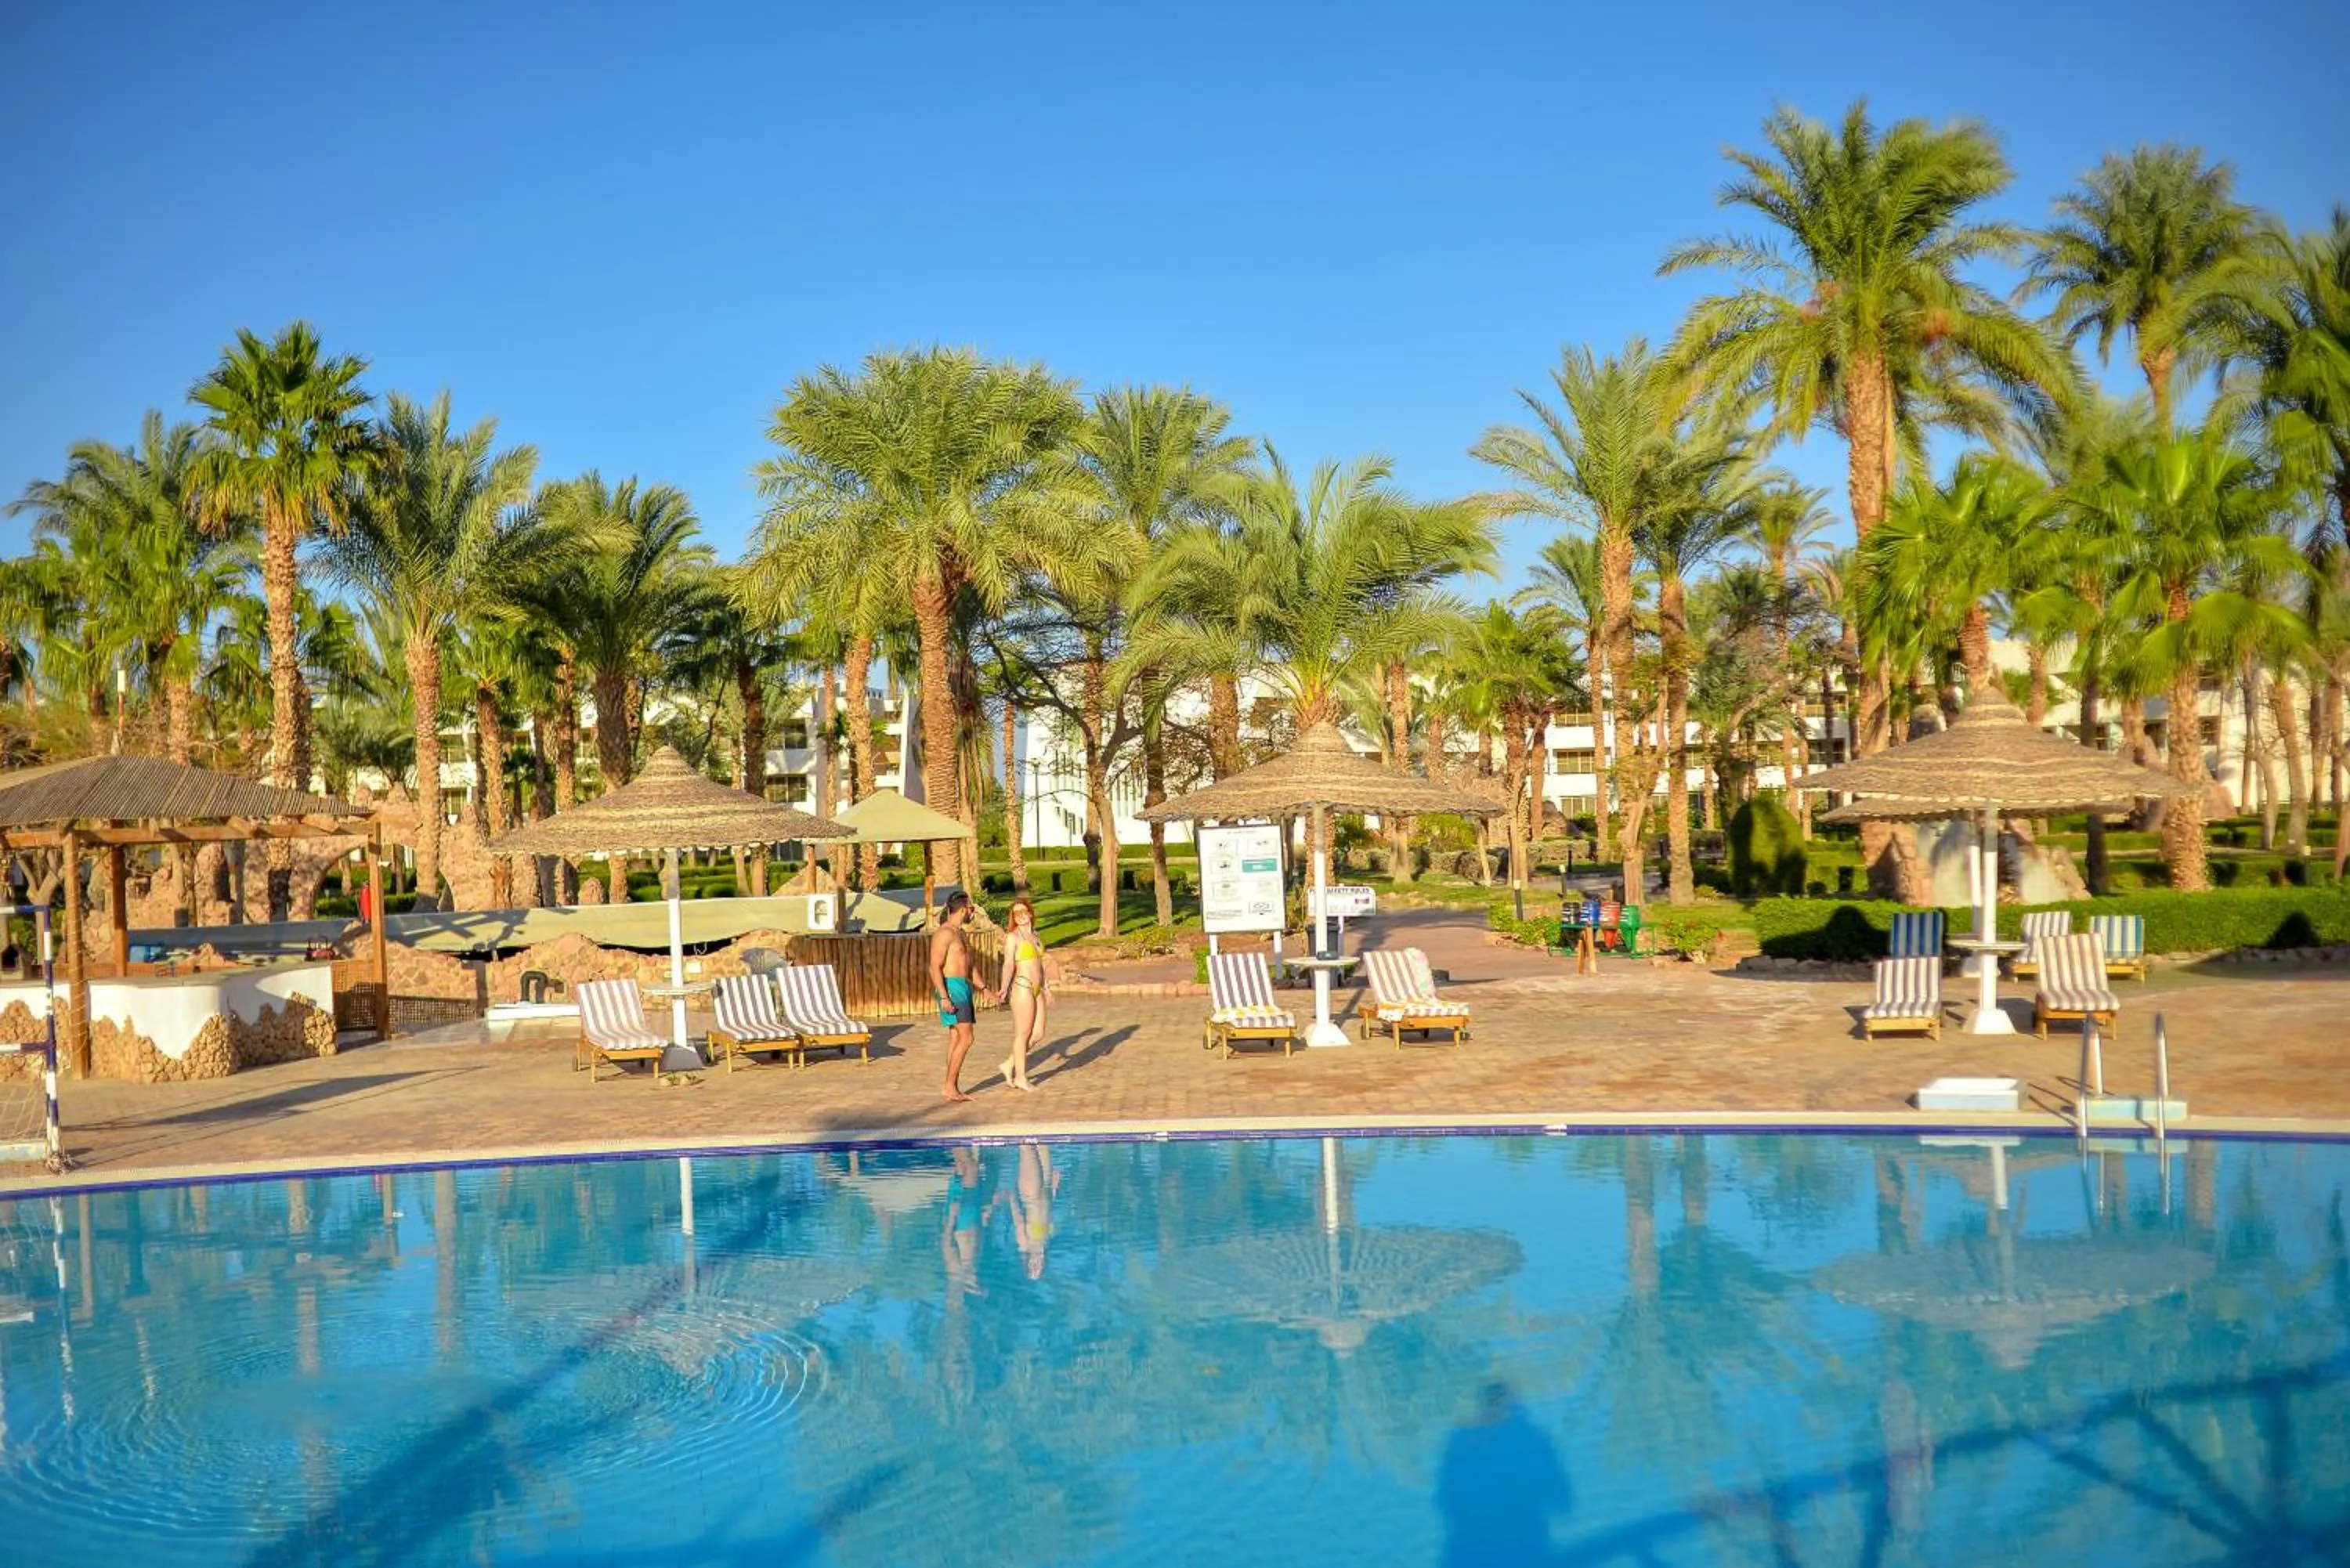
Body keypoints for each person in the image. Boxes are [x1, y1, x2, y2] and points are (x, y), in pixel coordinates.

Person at [992, 897, 1050, 1091]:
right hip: (1023, 988)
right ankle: (1020, 1077)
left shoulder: (1035, 935)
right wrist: (1003, 987)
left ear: (1030, 913)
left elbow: (1041, 965)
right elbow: (1008, 964)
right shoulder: (1013, 937)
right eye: (1016, 914)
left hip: (1037, 990)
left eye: (1024, 912)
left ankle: (1009, 1063)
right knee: (1023, 1034)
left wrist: (1047, 988)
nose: (1021, 916)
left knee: (1039, 1033)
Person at [929, 891, 979, 1102]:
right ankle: (950, 1086)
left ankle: (950, 1086)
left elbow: (969, 966)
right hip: (951, 987)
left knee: (956, 1037)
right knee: (967, 1037)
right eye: (971, 908)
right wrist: (944, 996)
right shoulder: (945, 933)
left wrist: (985, 988)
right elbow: (934, 967)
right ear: (962, 909)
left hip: (962, 986)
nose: (973, 912)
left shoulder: (960, 934)